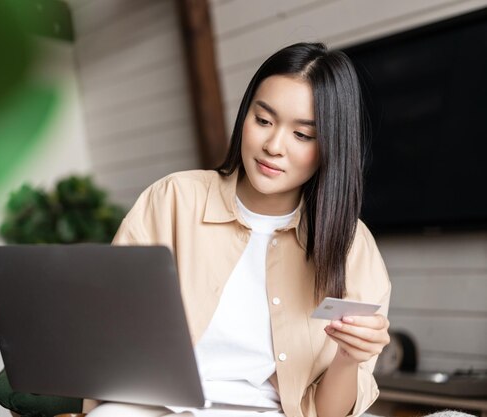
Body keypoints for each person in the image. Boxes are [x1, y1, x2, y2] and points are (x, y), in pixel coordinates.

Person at [87, 42, 391, 417]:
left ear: (331, 146)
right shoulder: (174, 199)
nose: (273, 146)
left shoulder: (352, 246)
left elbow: (327, 413)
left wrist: (348, 358)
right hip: (151, 407)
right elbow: (106, 330)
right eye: (263, 121)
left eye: (302, 135)